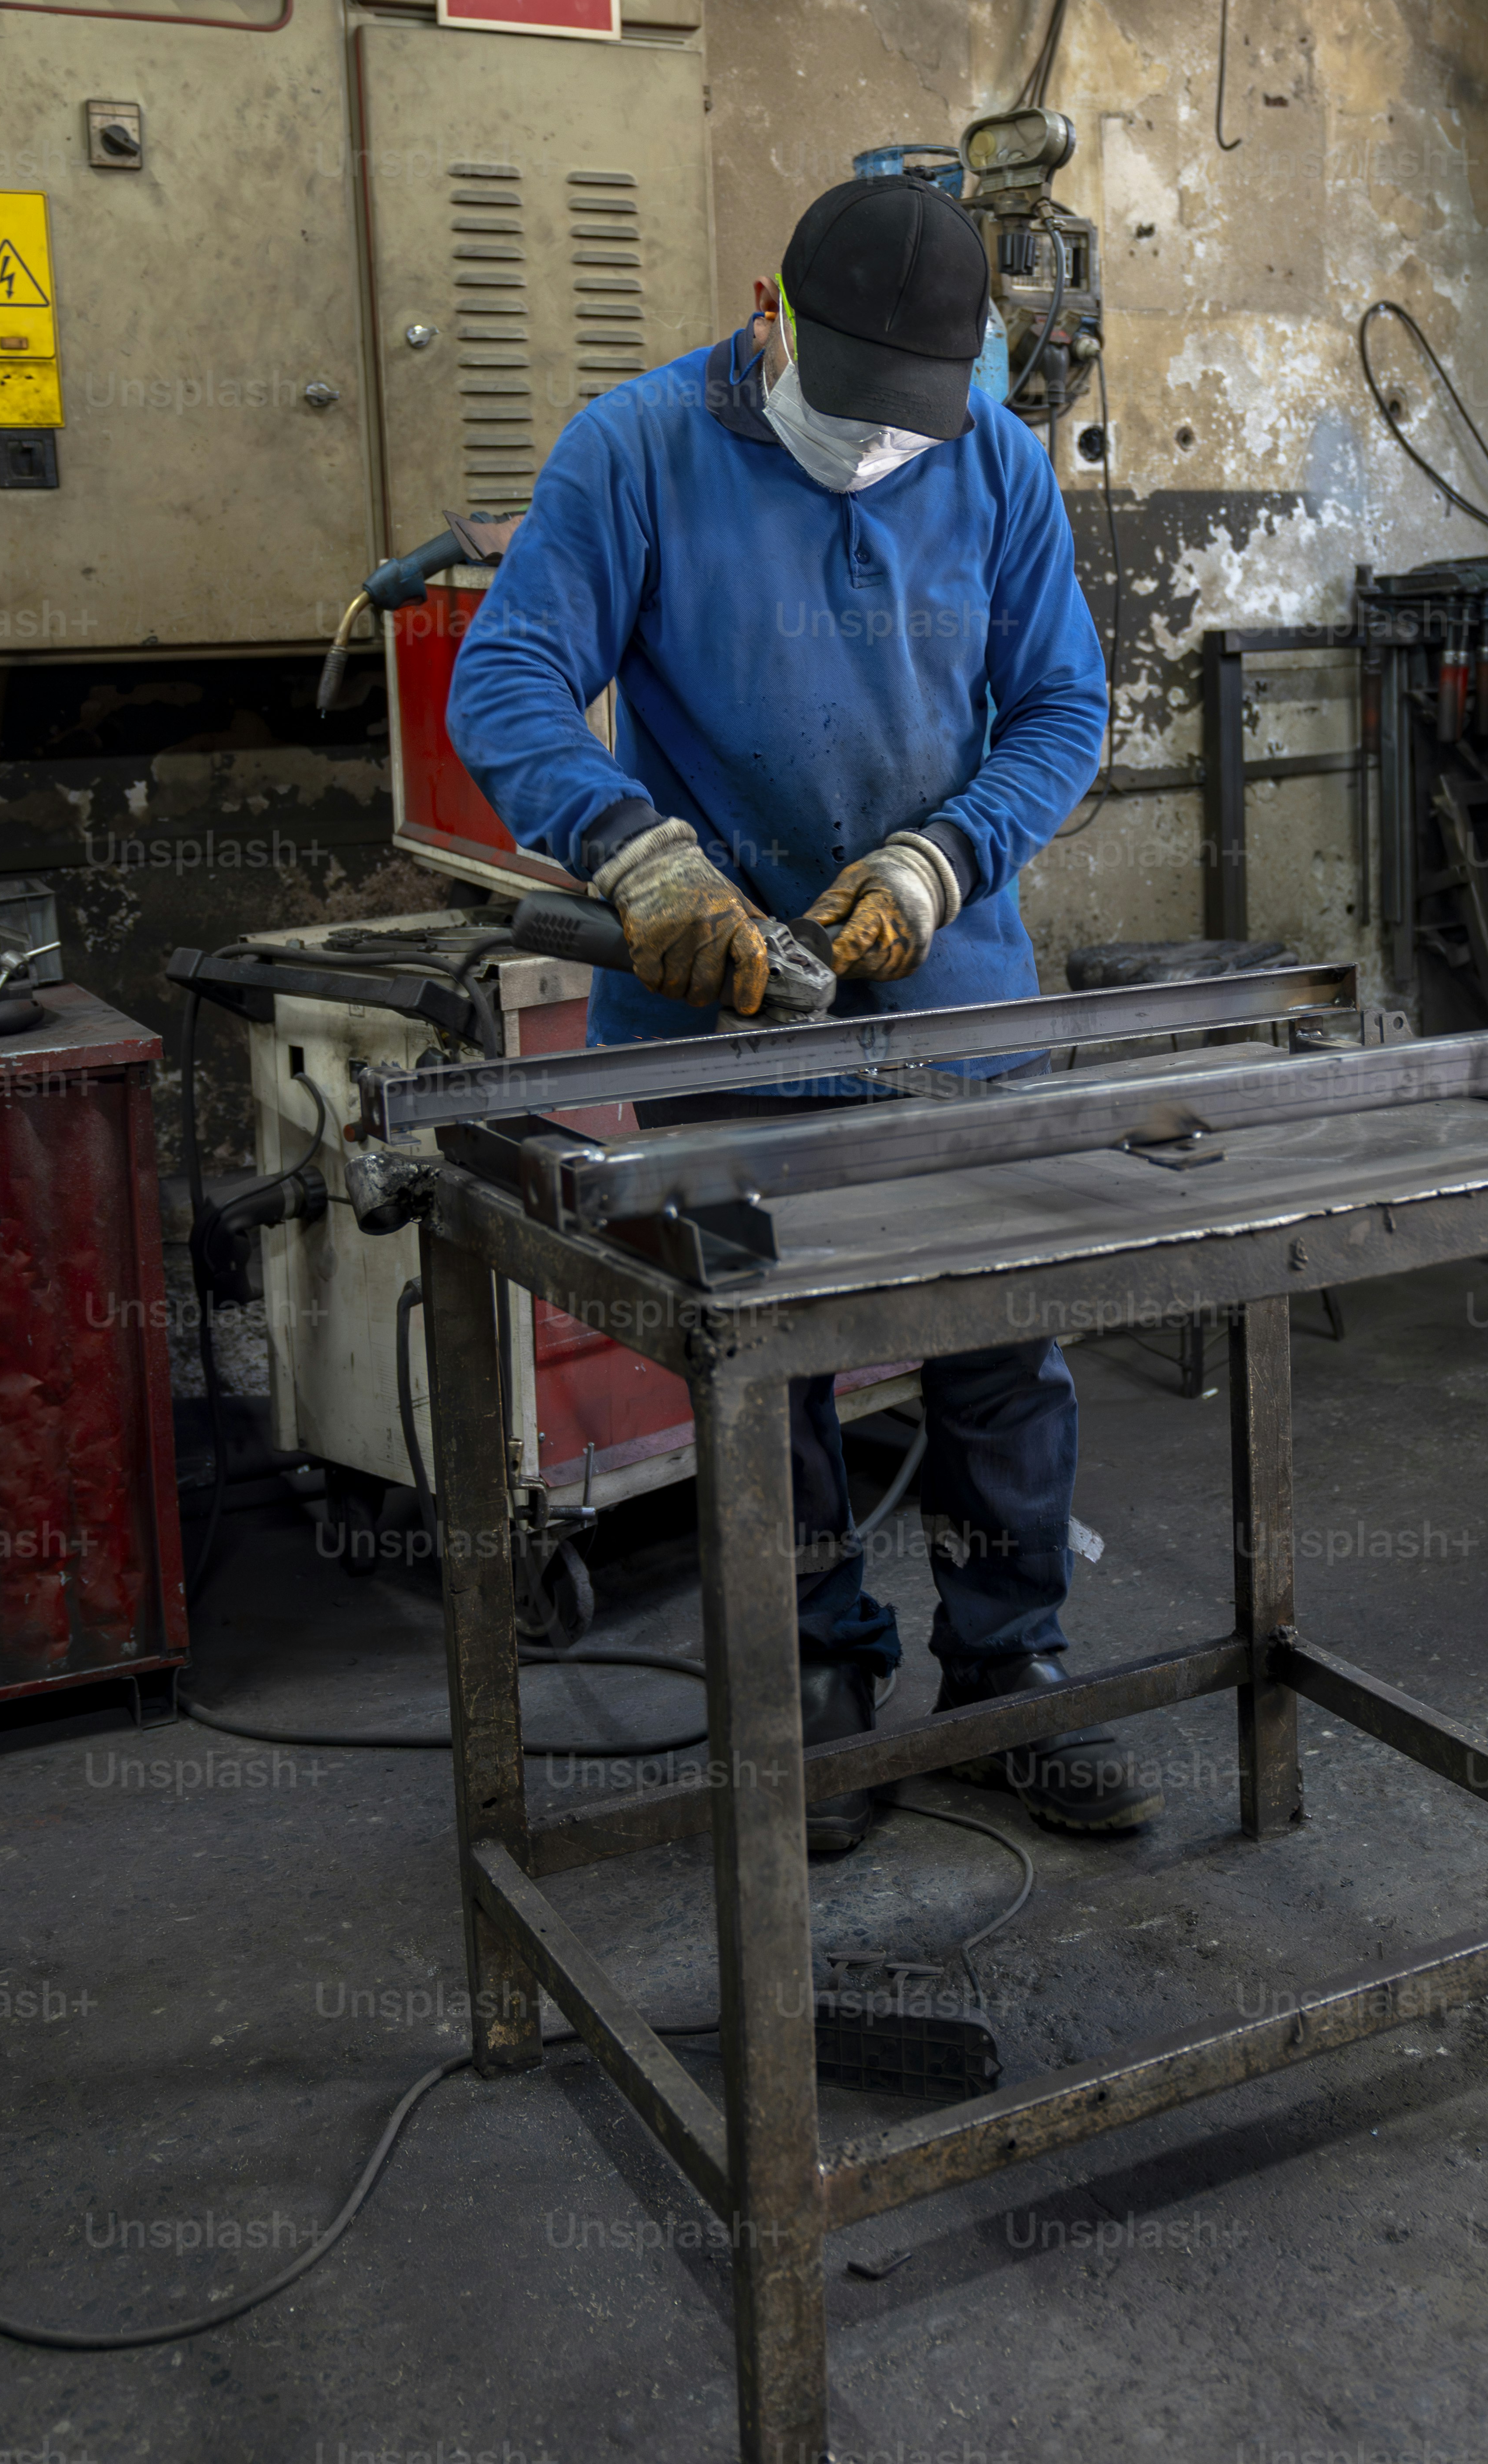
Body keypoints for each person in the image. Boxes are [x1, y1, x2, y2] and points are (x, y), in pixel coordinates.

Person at [446, 171, 1164, 1853]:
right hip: (725, 1004)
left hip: (955, 1000)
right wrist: (636, 857)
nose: (881, 450)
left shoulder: (988, 454)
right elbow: (512, 678)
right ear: (771, 317)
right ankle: (815, 1689)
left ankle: (1008, 1681)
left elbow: (1063, 703)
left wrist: (942, 862)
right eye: (854, 415)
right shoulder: (632, 453)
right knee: (773, 1384)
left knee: (1003, 1359)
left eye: (913, 419)